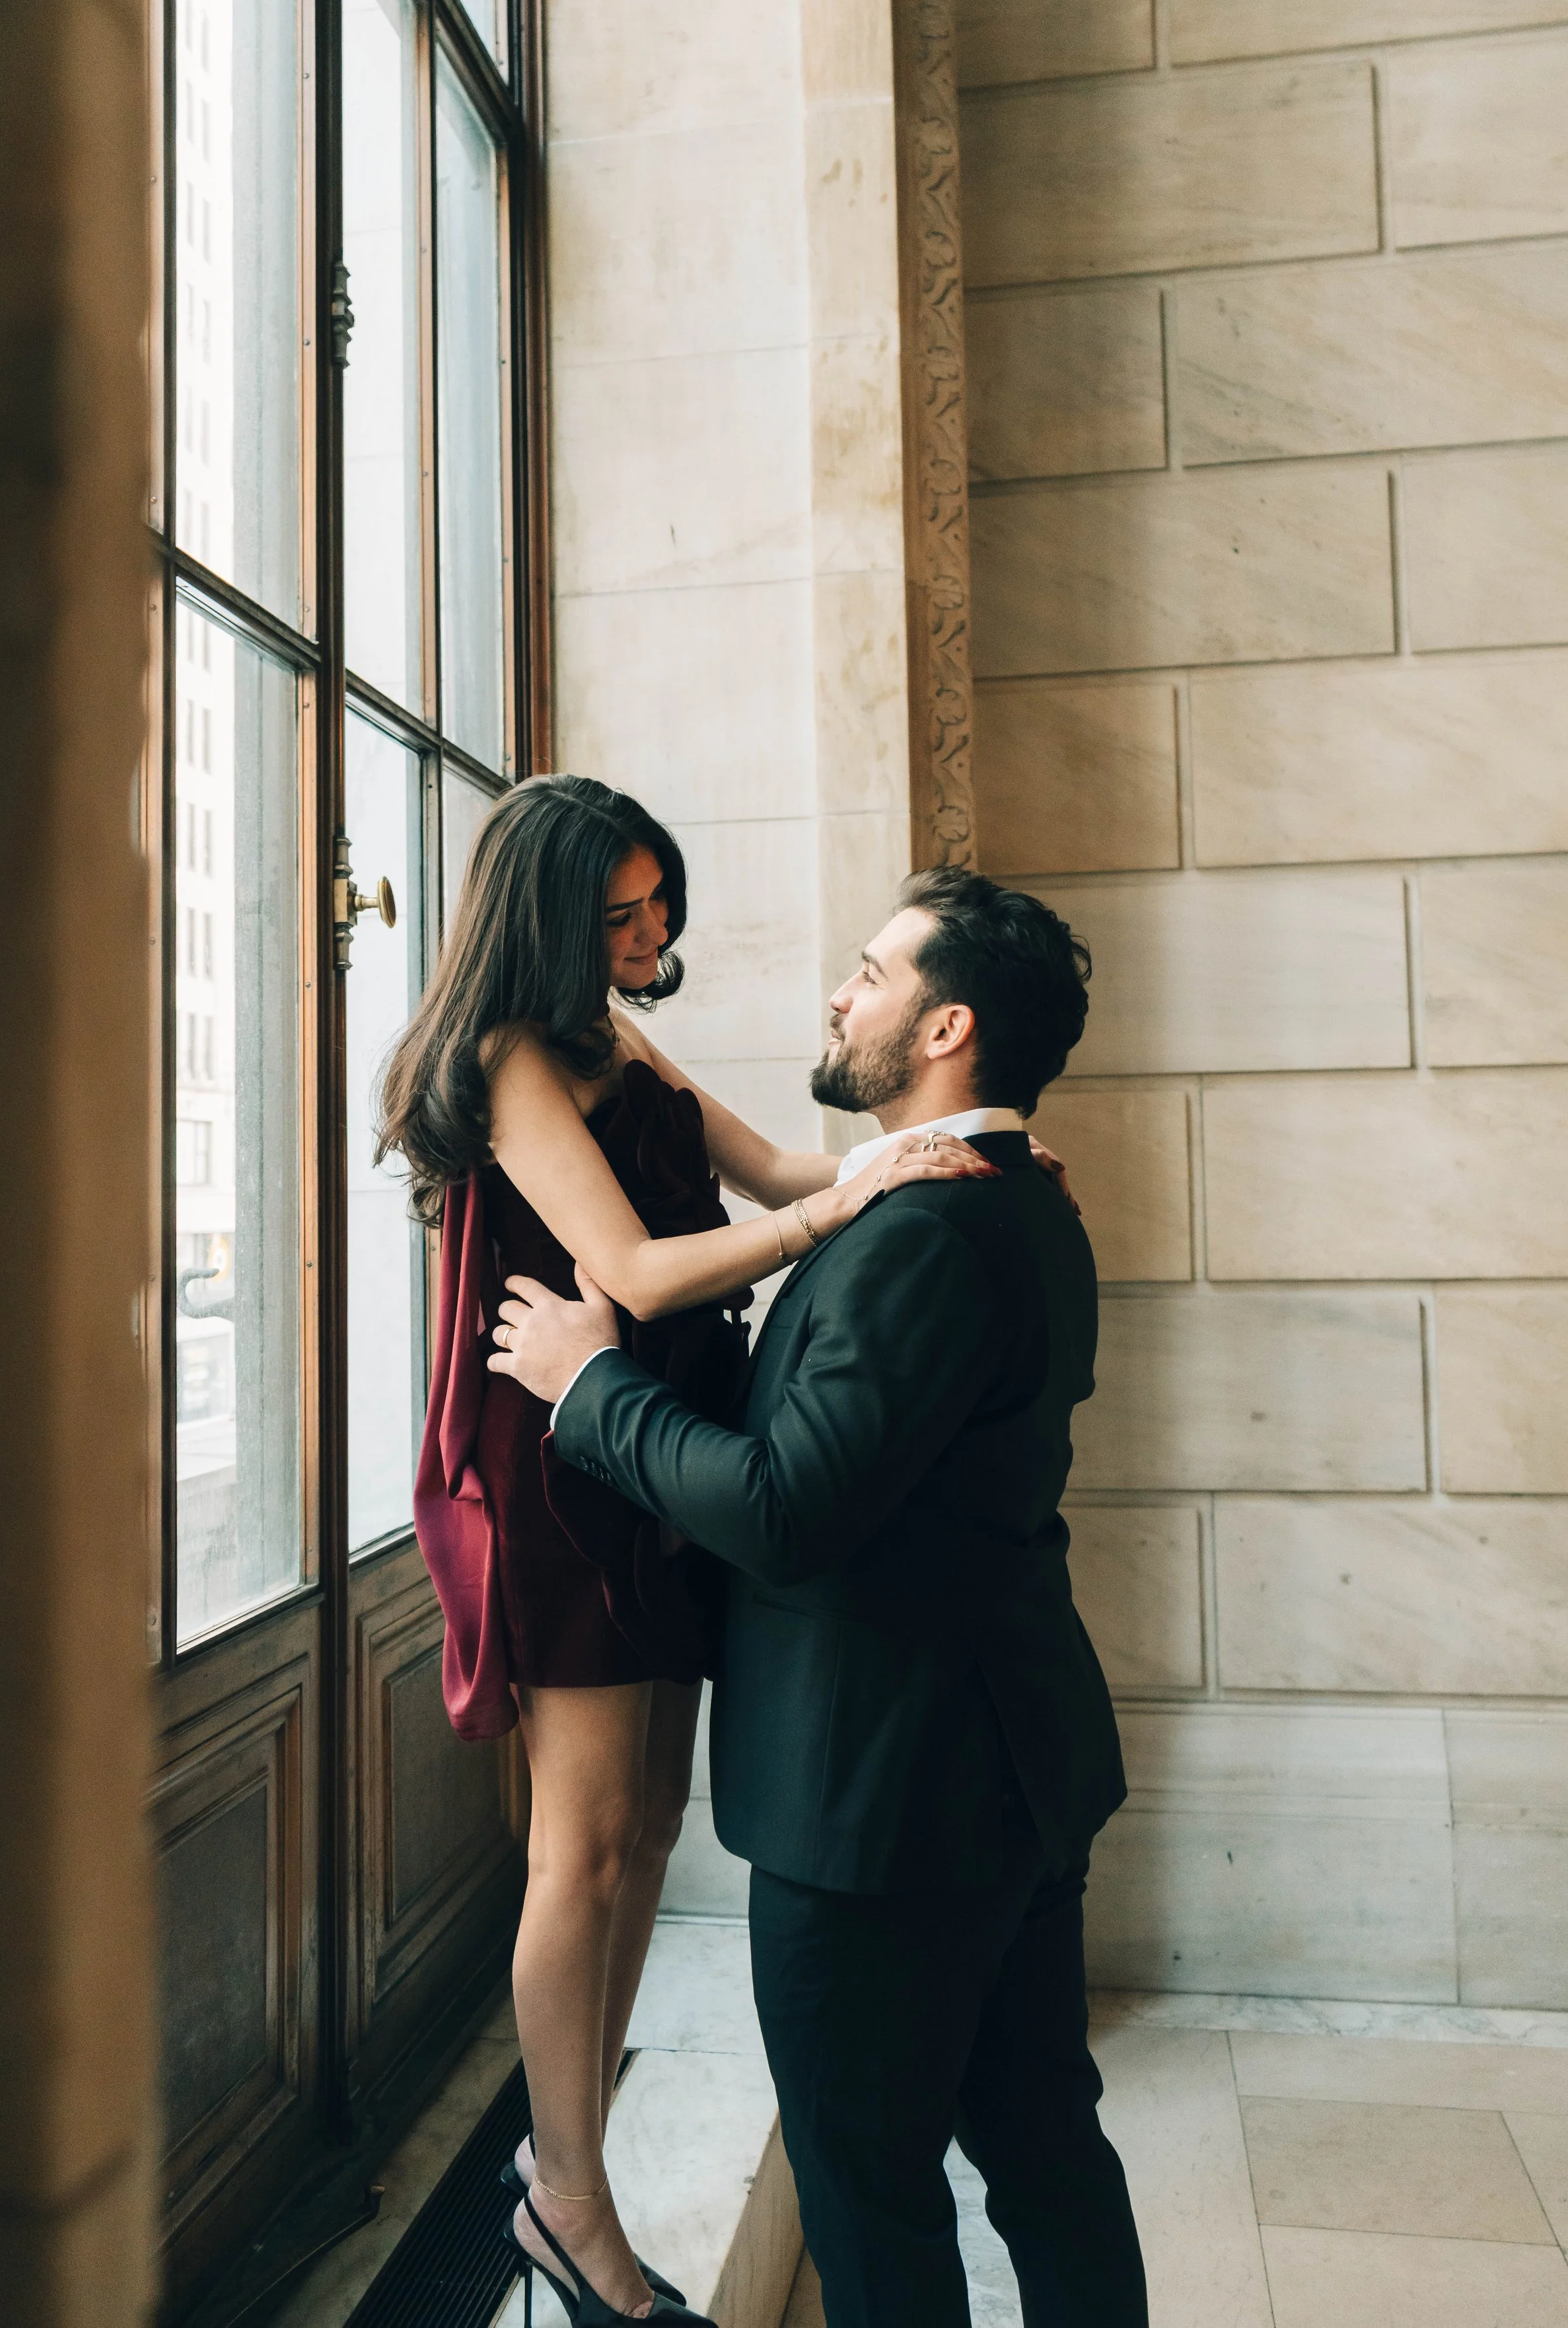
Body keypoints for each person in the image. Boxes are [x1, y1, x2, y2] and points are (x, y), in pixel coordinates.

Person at [376, 779, 1007, 2326]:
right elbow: (644, 1269)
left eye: (661, 903)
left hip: (655, 1454)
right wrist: (846, 1205)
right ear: (546, 916)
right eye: (620, 914)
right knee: (579, 1847)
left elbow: (787, 1173)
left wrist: (950, 1150)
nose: (654, 935)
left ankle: (565, 2163)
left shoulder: (603, 1029)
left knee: (651, 1825)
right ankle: (564, 2195)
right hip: (565, 1465)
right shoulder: (509, 1052)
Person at [487, 866, 1149, 2328]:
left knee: (874, 2208)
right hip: (1001, 1772)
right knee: (1045, 2152)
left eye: (869, 972)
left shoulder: (922, 1231)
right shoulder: (1004, 1202)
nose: (838, 992)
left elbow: (788, 1510)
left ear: (943, 1028)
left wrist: (588, 1389)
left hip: (888, 1811)